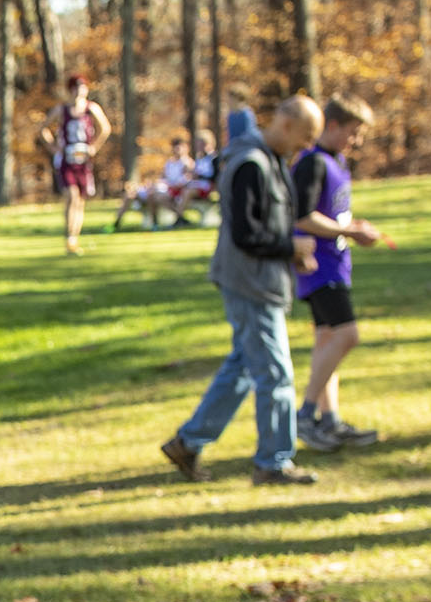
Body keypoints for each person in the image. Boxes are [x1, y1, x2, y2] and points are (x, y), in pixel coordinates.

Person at [160, 96, 324, 487]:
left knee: (243, 368)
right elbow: (246, 234)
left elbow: (265, 225)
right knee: (275, 374)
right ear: (285, 125)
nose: (303, 150)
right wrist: (290, 248)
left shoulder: (269, 160)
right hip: (249, 283)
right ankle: (272, 463)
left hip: (260, 279)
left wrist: (291, 253)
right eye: (302, 141)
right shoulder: (249, 164)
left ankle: (188, 442)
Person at [292, 97, 388, 453]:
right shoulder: (312, 163)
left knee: (327, 341)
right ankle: (304, 415)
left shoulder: (337, 161)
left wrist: (354, 227)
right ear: (332, 126)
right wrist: (348, 233)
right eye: (353, 132)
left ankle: (329, 420)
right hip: (319, 268)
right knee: (347, 336)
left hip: (335, 263)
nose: (356, 140)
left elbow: (331, 213)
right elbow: (302, 218)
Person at [35, 76, 110, 255]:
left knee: (80, 200)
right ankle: (69, 237)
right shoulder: (62, 110)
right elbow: (42, 129)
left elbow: (105, 129)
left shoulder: (91, 109)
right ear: (71, 90)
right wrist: (54, 148)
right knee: (72, 195)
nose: (80, 91)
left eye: (83, 87)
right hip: (66, 159)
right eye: (76, 88)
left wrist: (94, 148)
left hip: (83, 160)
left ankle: (75, 238)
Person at [115, 135, 195, 230]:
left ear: (186, 148)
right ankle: (116, 223)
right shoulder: (169, 163)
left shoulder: (187, 163)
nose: (176, 149)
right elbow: (163, 177)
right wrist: (154, 183)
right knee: (130, 194)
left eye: (179, 147)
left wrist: (167, 185)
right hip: (162, 188)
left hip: (173, 192)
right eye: (174, 147)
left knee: (152, 195)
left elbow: (185, 180)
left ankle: (155, 223)